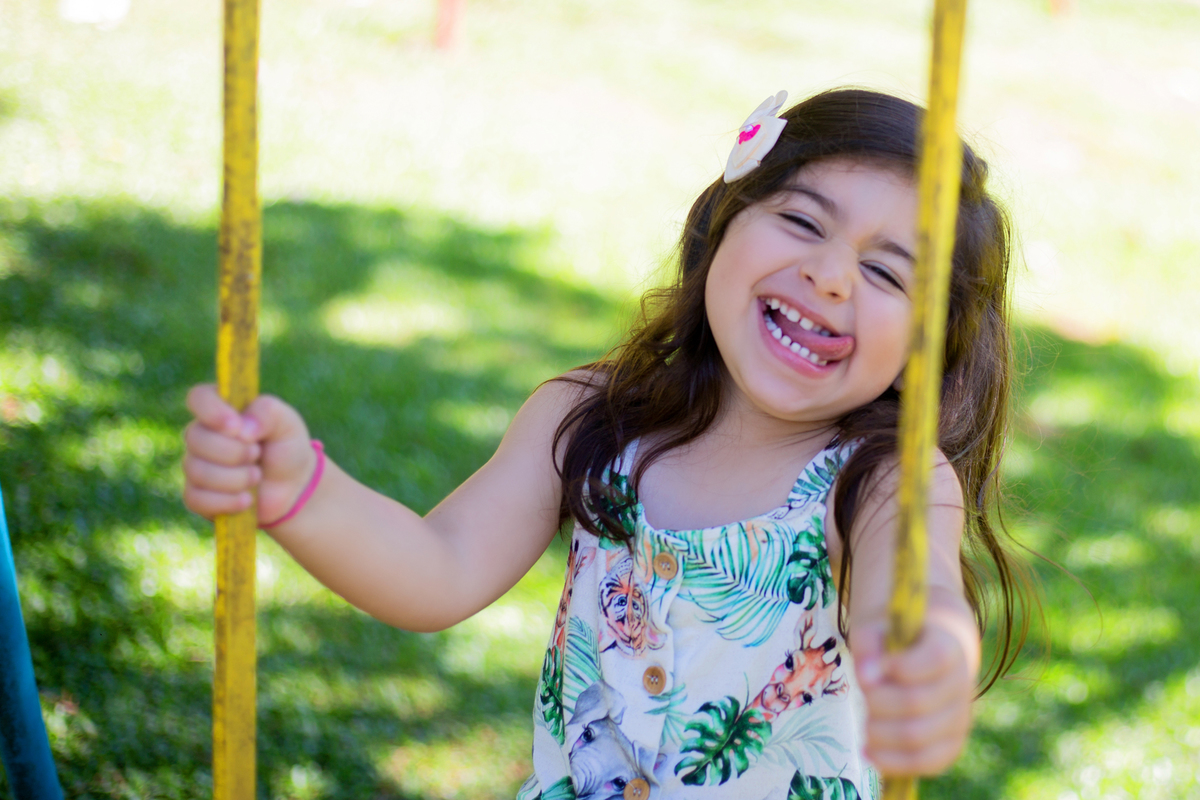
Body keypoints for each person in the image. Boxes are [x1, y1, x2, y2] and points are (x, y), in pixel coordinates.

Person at [182, 88, 1028, 800]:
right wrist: (299, 491)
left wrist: (931, 654)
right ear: (722, 228)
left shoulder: (884, 480)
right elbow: (437, 569)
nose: (833, 276)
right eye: (802, 221)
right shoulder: (587, 417)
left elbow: (913, 590)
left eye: (888, 274)